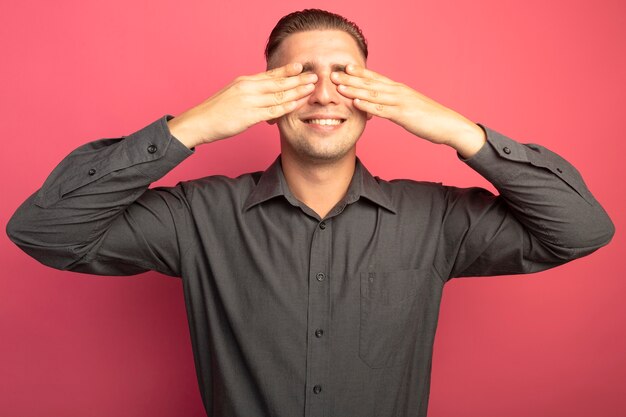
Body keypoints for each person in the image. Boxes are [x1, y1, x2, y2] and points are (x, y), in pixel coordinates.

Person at [6, 8, 614, 417]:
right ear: (263, 102)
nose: (324, 95)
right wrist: (187, 129)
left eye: (345, 78)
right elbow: (44, 232)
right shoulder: (198, 216)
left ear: (377, 101)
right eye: (298, 79)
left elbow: (582, 229)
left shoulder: (437, 219)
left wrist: (459, 130)